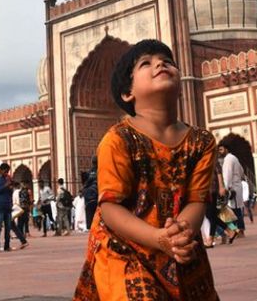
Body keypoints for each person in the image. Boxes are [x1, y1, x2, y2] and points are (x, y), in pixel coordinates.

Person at [73, 39, 218, 300]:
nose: (160, 63)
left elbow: (197, 200)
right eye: (146, 63)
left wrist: (180, 233)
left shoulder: (202, 141)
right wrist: (158, 237)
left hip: (176, 243)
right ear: (128, 93)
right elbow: (110, 207)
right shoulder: (118, 139)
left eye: (167, 61)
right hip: (123, 243)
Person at [0, 162, 28, 251]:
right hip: (0, 205)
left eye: (7, 171)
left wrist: (10, 188)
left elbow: (10, 193)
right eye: (5, 171)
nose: (6, 173)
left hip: (8, 205)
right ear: (1, 170)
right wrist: (4, 186)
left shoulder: (8, 180)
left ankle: (7, 246)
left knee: (8, 227)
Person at [218, 141, 247, 237]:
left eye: (221, 149)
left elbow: (227, 175)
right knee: (237, 209)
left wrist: (225, 188)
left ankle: (239, 231)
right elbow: (242, 171)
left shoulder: (229, 159)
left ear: (226, 149)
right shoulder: (234, 158)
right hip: (237, 186)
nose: (220, 152)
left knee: (234, 210)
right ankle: (239, 230)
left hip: (232, 188)